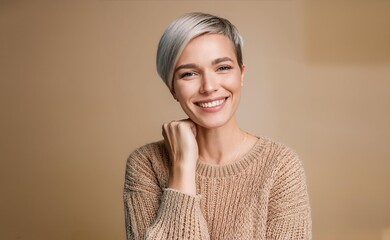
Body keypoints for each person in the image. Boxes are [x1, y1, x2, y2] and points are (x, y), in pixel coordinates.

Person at [124, 12, 312, 239]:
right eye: (189, 73)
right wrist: (182, 167)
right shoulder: (146, 164)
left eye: (222, 68)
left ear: (241, 74)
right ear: (172, 88)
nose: (209, 86)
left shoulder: (280, 165)